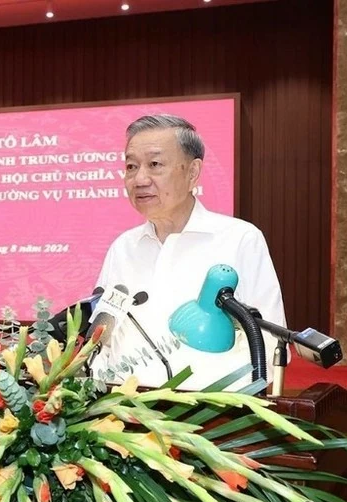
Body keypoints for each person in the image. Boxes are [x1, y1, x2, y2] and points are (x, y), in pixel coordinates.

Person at [92, 114, 286, 391]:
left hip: (208, 417)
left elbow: (270, 343)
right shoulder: (124, 247)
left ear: (193, 172)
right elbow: (103, 337)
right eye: (131, 166)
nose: (139, 178)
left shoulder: (240, 239)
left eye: (155, 164)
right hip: (121, 413)